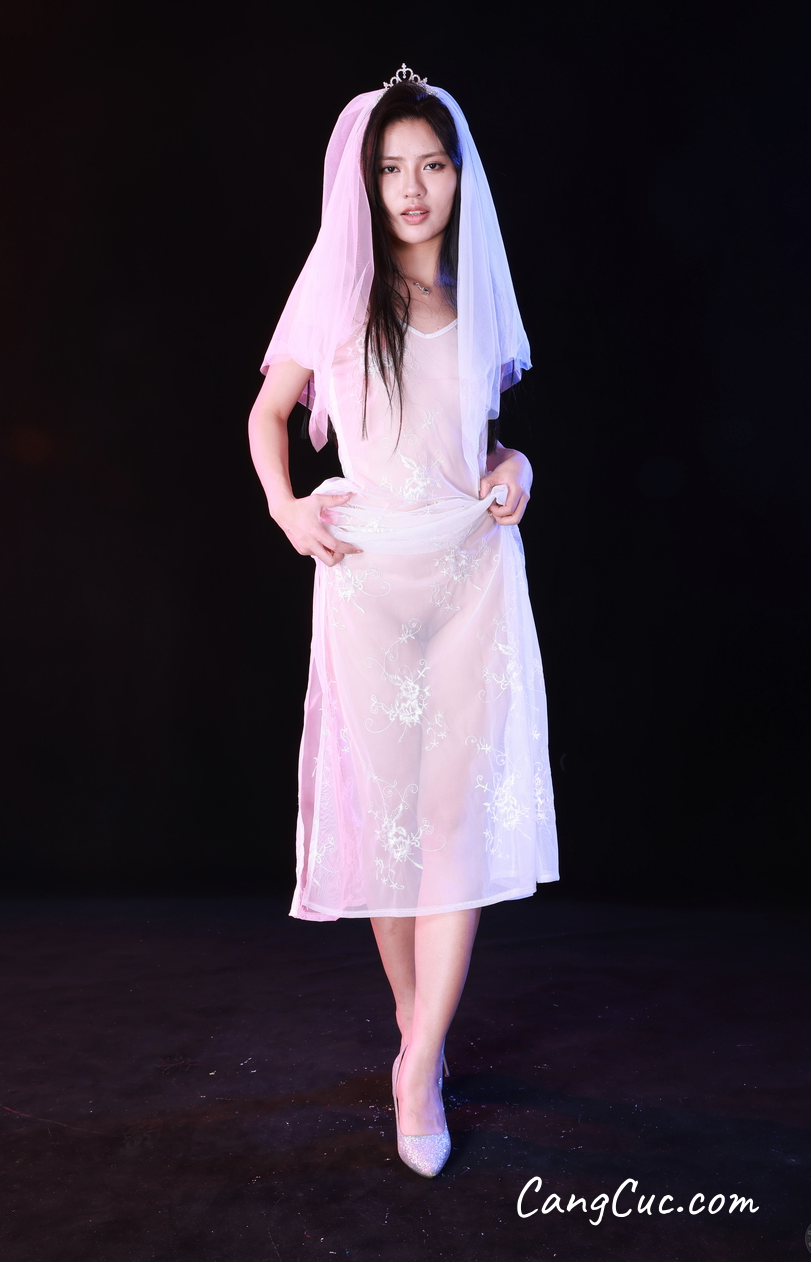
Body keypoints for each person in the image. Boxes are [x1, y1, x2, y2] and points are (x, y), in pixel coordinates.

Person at [248, 66, 558, 1177]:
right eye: (391, 169)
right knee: (390, 826)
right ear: (367, 184)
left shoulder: (477, 297)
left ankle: (418, 1060)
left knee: (451, 820)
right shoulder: (339, 292)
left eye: (430, 165)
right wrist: (288, 509)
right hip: (369, 582)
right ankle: (412, 1036)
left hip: (471, 574)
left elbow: (479, 443)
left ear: (458, 177)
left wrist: (516, 466)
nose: (412, 188)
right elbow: (268, 414)